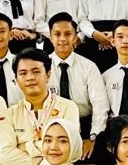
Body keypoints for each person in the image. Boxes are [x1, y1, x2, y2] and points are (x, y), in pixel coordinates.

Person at [47, 14, 110, 142]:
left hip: (85, 127)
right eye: (57, 34)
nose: (62, 39)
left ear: (75, 37)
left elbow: (100, 104)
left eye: (68, 34)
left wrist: (94, 137)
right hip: (50, 126)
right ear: (50, 37)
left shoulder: (89, 67)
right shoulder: (42, 66)